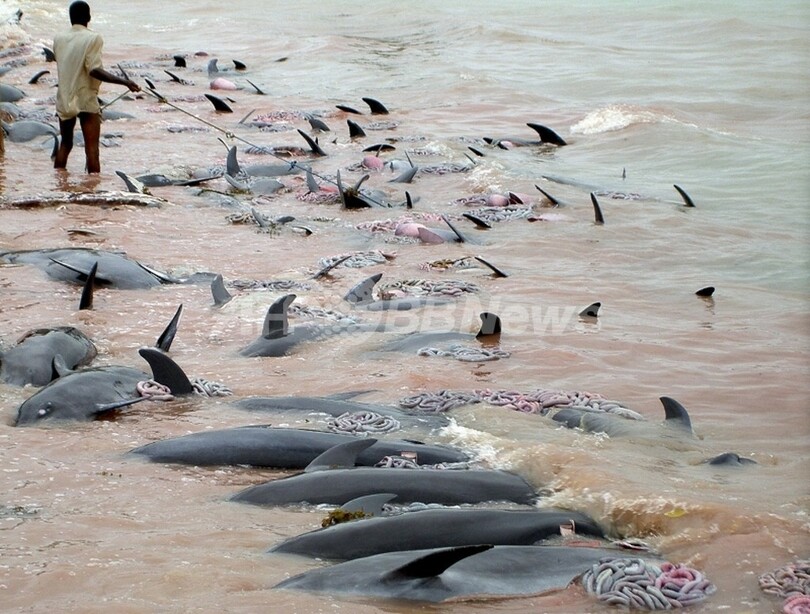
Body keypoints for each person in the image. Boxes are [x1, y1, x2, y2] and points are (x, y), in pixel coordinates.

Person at [53, 1, 140, 173]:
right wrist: (125, 82)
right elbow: (94, 70)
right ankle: (93, 192)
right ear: (89, 17)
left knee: (65, 144)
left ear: (70, 18)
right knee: (92, 150)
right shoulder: (93, 38)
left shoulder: (59, 38)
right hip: (85, 97)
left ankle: (57, 185)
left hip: (64, 97)